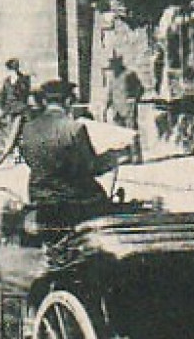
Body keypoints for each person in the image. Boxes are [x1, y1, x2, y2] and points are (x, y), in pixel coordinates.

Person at [18, 78, 131, 228]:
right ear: (69, 101)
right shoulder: (74, 129)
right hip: (73, 201)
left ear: (45, 102)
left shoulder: (28, 129)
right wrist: (114, 156)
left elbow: (31, 160)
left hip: (39, 197)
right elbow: (90, 167)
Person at [0, 58, 32, 149]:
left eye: (15, 68)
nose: (13, 71)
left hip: (19, 107)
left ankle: (15, 146)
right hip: (8, 108)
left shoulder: (24, 79)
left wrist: (17, 82)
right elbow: (3, 95)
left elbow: (25, 93)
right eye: (11, 69)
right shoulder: (7, 81)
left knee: (17, 128)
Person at [102, 56, 145, 130]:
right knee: (120, 134)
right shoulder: (112, 77)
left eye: (113, 64)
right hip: (116, 111)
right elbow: (110, 93)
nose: (112, 69)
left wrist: (134, 99)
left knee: (131, 132)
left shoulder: (129, 74)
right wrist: (106, 108)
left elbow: (140, 89)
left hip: (128, 110)